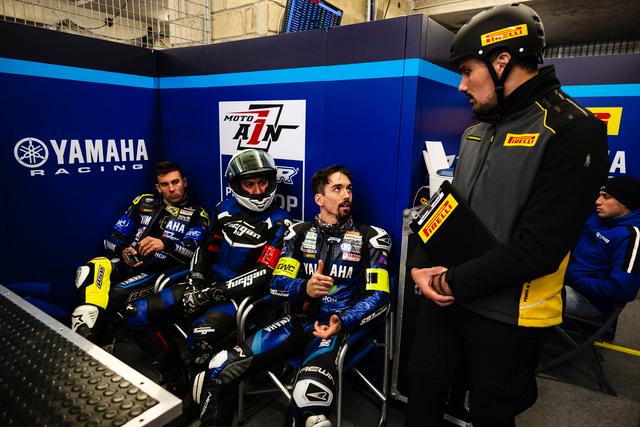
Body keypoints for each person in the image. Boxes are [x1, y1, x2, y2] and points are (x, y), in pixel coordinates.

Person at [405, 4, 609, 427]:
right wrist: (419, 267)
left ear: (502, 61)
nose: (461, 85)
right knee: (422, 393)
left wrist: (448, 280)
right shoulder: (475, 130)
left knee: (491, 414)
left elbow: (540, 248)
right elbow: (447, 211)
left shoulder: (573, 129)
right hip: (446, 297)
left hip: (509, 316)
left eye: (467, 71)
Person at [192, 165, 392, 427]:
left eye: (349, 189)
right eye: (337, 189)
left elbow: (380, 297)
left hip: (336, 330)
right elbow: (277, 284)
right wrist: (304, 288)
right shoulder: (298, 234)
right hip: (298, 322)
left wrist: (343, 320)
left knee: (307, 399)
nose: (347, 195)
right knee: (220, 367)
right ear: (319, 199)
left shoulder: (372, 238)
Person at [124, 149, 290, 395]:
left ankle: (198, 399)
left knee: (200, 340)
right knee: (135, 313)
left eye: (263, 182)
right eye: (249, 184)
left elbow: (264, 271)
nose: (257, 191)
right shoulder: (223, 208)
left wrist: (213, 293)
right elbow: (205, 248)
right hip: (206, 285)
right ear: (236, 185)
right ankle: (176, 374)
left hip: (240, 299)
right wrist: (195, 281)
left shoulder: (281, 221)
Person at [71, 161, 209, 346]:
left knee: (115, 294)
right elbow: (111, 238)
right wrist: (123, 250)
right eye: (165, 184)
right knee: (89, 271)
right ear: (158, 187)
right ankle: (85, 338)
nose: (171, 189)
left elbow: (191, 251)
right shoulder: (143, 202)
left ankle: (91, 343)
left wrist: (165, 244)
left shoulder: (198, 214)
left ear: (184, 182)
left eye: (175, 182)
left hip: (156, 271)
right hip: (127, 262)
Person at [565, 175, 640, 319]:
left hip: (590, 301)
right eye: (600, 195)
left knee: (531, 299)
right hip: (564, 283)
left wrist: (576, 279)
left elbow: (623, 289)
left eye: (606, 197)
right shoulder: (596, 219)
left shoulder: (631, 236)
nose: (598, 201)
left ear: (626, 202)